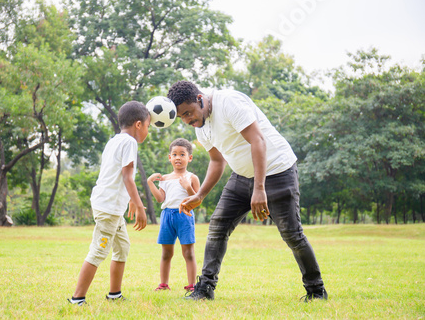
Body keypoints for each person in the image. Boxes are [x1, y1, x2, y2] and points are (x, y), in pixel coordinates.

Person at [167, 80, 327, 302]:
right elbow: (216, 161)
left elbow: (257, 141)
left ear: (200, 99)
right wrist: (200, 194)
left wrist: (260, 188)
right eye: (182, 117)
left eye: (188, 113)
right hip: (242, 177)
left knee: (292, 234)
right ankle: (205, 289)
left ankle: (316, 291)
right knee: (218, 226)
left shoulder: (229, 102)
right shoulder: (201, 125)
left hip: (278, 171)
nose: (188, 120)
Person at [68, 101, 150, 306]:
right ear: (138, 124)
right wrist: (140, 206)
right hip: (109, 209)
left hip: (110, 206)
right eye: (148, 126)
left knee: (122, 247)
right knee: (98, 251)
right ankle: (77, 299)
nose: (148, 131)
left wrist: (130, 199)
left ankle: (114, 294)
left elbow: (118, 174)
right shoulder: (130, 142)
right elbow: (127, 177)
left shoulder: (114, 140)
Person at [147, 138, 201, 292]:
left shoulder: (192, 178)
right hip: (167, 216)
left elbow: (197, 200)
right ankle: (163, 284)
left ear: (189, 158)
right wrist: (150, 183)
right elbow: (160, 199)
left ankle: (192, 285)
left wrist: (188, 187)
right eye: (175, 154)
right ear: (169, 157)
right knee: (166, 253)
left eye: (182, 154)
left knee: (188, 252)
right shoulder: (164, 178)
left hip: (185, 215)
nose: (178, 157)